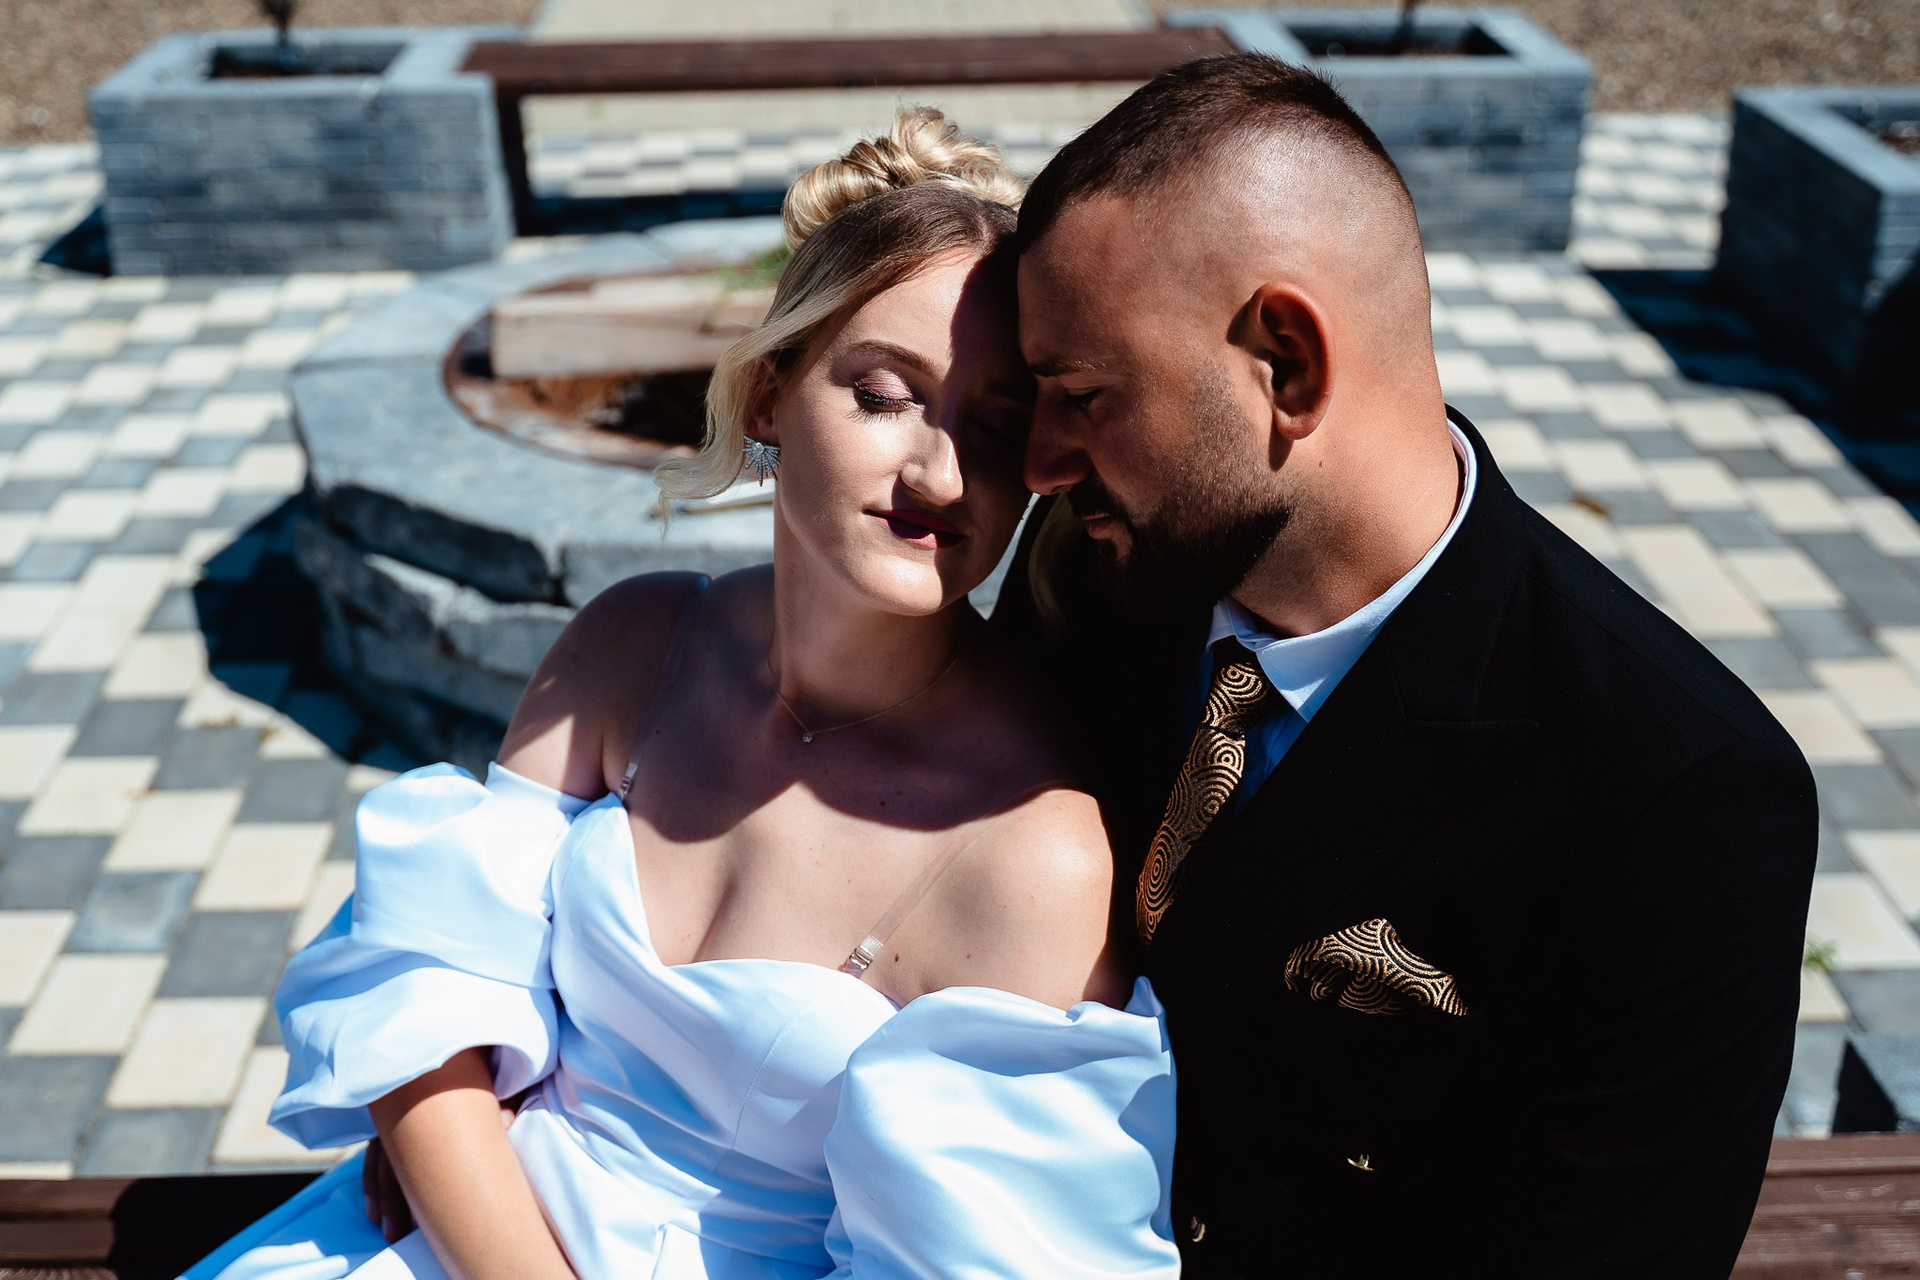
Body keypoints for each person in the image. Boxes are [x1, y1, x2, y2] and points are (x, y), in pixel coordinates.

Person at [185, 109, 1180, 1280]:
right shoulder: (633, 646)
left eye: (998, 427)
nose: (941, 470)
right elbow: (426, 989)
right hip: (456, 1230)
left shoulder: (1033, 854)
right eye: (881, 394)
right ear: (767, 393)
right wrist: (452, 1158)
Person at [993, 55, 1818, 1277]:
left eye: (1083, 393)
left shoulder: (1677, 792)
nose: (1041, 462)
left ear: (1288, 363)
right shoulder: (1093, 573)